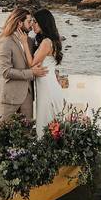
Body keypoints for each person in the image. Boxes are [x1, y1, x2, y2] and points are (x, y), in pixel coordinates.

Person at [17, 9, 67, 139]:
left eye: (35, 21)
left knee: (45, 121)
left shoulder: (46, 43)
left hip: (47, 88)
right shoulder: (48, 41)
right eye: (32, 21)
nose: (32, 24)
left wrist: (24, 43)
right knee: (48, 122)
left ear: (43, 23)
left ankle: (46, 149)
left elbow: (32, 64)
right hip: (47, 85)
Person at [0, 7, 48, 121]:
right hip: (10, 98)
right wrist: (31, 73)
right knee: (3, 133)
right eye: (29, 21)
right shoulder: (6, 42)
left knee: (27, 134)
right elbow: (6, 72)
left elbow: (38, 60)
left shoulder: (29, 41)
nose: (31, 25)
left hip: (28, 97)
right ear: (19, 23)